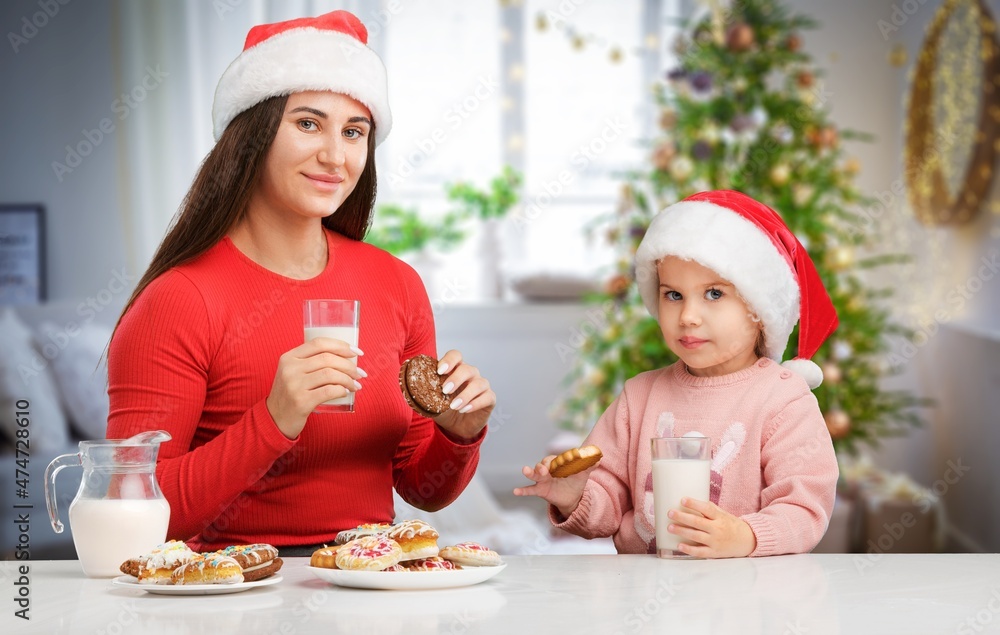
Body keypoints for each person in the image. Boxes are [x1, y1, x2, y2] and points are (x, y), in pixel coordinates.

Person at [106, 11, 495, 555]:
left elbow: (419, 487)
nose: (335, 156)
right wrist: (273, 420)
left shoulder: (396, 284)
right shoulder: (178, 300)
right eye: (308, 123)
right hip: (233, 596)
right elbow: (134, 508)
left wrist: (457, 432)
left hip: (369, 583)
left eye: (354, 132)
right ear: (253, 134)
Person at [515, 190, 840, 558]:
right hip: (644, 597)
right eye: (673, 295)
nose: (688, 316)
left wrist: (746, 536)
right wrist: (576, 496)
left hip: (746, 599)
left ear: (759, 310)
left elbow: (804, 508)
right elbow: (609, 502)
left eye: (714, 294)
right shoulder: (639, 397)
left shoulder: (782, 399)